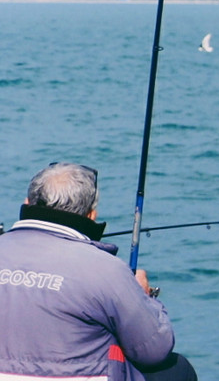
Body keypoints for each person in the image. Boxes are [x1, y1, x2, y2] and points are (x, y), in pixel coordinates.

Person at [0, 162, 198, 381]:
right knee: (177, 370)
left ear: (26, 204)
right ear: (91, 215)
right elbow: (154, 351)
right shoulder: (108, 269)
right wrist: (143, 296)